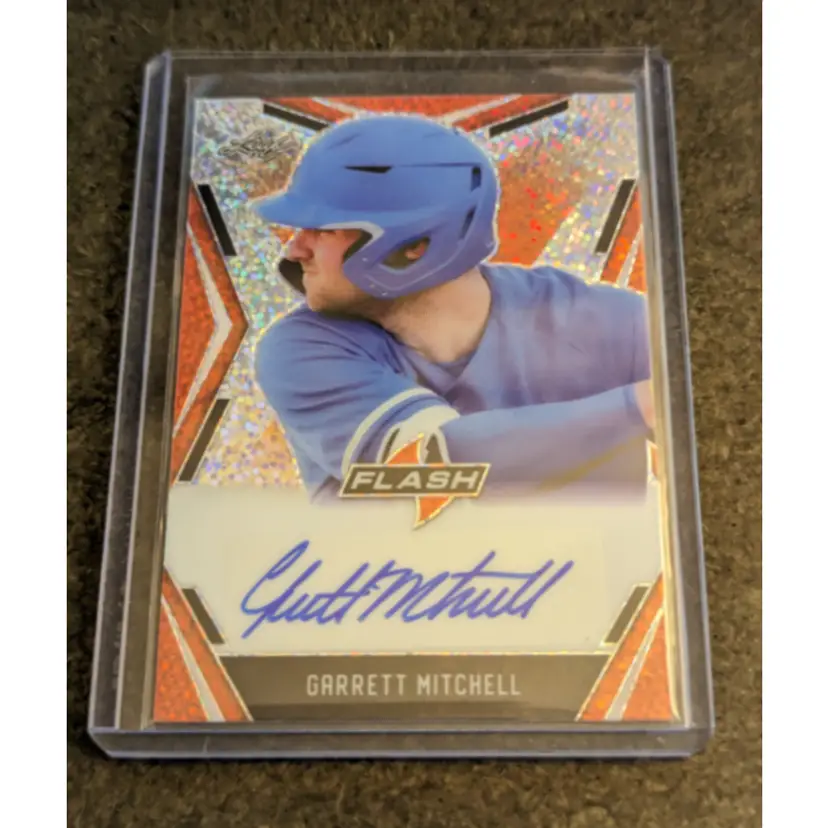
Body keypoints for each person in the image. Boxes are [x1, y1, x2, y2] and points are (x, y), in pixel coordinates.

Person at [252, 114, 655, 501]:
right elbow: (433, 467)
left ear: (414, 247)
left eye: (321, 230)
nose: (294, 249)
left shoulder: (613, 323)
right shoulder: (300, 350)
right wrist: (637, 408)